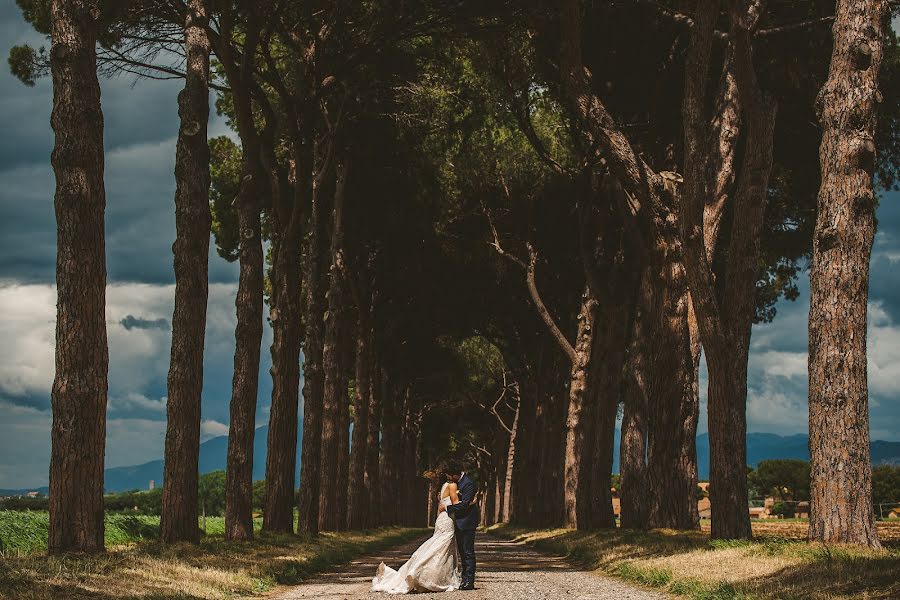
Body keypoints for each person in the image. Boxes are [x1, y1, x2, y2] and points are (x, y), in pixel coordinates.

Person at [371, 466, 463, 594]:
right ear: (451, 475)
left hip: (442, 519)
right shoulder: (452, 485)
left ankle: (433, 577)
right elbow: (457, 503)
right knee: (442, 548)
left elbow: (442, 504)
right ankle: (427, 575)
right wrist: (468, 500)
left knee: (438, 547)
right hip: (448, 519)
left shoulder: (443, 487)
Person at [438, 461, 479, 590]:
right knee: (461, 551)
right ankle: (463, 577)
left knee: (467, 552)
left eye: (449, 475)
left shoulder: (468, 483)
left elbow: (465, 504)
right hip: (457, 521)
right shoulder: (454, 484)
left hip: (467, 522)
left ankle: (469, 581)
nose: (448, 478)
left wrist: (447, 507)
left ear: (454, 474)